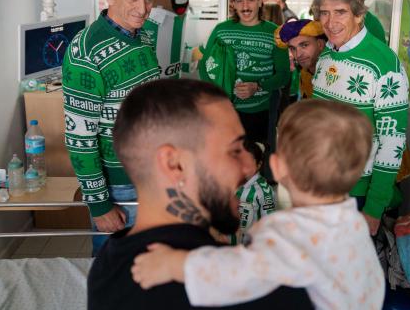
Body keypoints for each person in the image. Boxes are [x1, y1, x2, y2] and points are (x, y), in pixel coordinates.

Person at [131, 99, 385, 310]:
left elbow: (237, 273)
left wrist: (174, 264)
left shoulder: (288, 233)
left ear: (277, 167)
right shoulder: (354, 222)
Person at [88, 79, 313, 310]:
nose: (248, 167)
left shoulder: (107, 265)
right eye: (234, 150)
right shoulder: (229, 286)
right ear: (175, 164)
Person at [62, 0, 160, 255]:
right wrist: (100, 204)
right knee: (112, 267)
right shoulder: (86, 52)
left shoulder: (142, 35)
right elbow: (79, 140)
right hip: (119, 187)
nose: (143, 8)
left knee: (144, 264)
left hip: (150, 175)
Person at [311, 0, 409, 236]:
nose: (331, 22)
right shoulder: (327, 55)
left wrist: (374, 207)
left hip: (358, 195)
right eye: (324, 13)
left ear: (358, 14)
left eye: (340, 12)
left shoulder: (385, 65)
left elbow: (392, 143)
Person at [199, 0, 289, 144]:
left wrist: (257, 86)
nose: (245, 6)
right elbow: (204, 67)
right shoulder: (221, 30)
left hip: (259, 114)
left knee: (254, 162)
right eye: (239, 0)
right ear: (233, 4)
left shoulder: (275, 33)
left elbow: (283, 75)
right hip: (224, 112)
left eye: (250, 0)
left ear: (260, 1)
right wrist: (219, 96)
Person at [233, 140, 276, 245]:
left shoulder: (264, 191)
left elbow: (269, 224)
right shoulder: (231, 182)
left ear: (259, 164)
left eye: (249, 163)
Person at [275, 19, 326, 99]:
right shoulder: (304, 73)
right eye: (293, 48)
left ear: (320, 44)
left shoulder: (334, 73)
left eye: (304, 45)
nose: (298, 55)